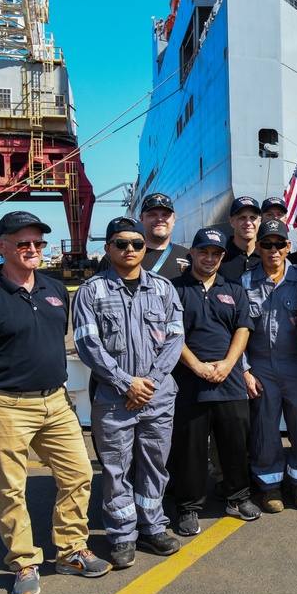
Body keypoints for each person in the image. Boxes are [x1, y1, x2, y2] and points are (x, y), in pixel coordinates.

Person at [0, 211, 111, 594]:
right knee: (11, 488)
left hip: (55, 401)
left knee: (78, 475)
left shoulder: (56, 290)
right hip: (5, 405)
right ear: (2, 246)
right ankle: (23, 562)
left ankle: (71, 550)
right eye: (23, 243)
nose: (33, 249)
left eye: (38, 242)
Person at [73, 217, 185, 569]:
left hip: (157, 395)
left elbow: (175, 338)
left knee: (155, 465)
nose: (130, 250)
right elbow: (87, 343)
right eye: (121, 243)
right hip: (114, 398)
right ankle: (122, 536)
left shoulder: (165, 289)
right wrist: (126, 382)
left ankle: (152, 526)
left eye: (137, 244)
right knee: (115, 469)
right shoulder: (91, 292)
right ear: (108, 248)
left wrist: (148, 382)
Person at [171, 227, 260, 535]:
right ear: (192, 253)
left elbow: (243, 329)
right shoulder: (174, 289)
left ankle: (239, 497)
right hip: (189, 381)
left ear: (223, 256)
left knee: (235, 445)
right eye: (204, 251)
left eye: (216, 253)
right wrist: (195, 365)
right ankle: (188, 507)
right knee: (190, 450)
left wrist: (228, 364)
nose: (209, 258)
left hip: (229, 380)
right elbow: (171, 334)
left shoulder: (233, 288)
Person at [242, 220, 297, 512]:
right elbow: (235, 330)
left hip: (296, 364)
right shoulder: (244, 283)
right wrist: (244, 370)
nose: (273, 250)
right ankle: (270, 486)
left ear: (289, 247)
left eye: (279, 244)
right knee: (264, 427)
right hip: (260, 366)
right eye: (266, 244)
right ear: (258, 247)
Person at [95, 192, 191, 278]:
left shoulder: (188, 256)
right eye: (152, 215)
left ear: (174, 219)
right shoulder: (116, 257)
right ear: (141, 219)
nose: (160, 219)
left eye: (165, 215)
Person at [218, 196, 263, 282]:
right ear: (232, 221)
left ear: (259, 221)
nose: (248, 223)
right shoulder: (219, 257)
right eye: (242, 218)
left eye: (252, 218)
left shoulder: (267, 255)